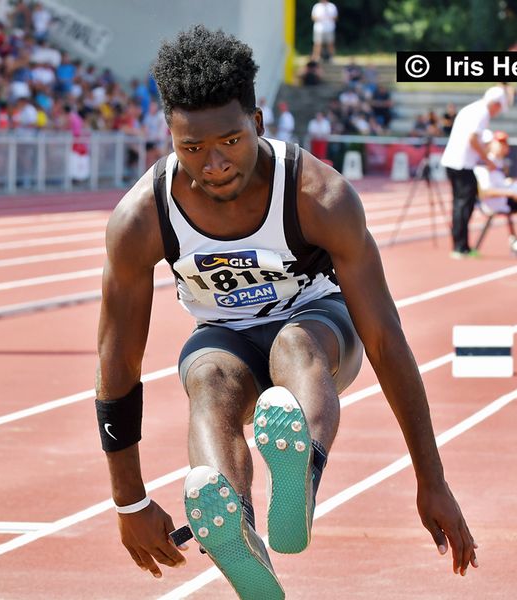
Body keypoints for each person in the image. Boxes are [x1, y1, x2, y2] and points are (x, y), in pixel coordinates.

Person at [95, 25, 478, 600]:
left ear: (259, 122)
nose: (214, 163)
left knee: (294, 344)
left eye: (229, 141)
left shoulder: (317, 196)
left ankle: (301, 477)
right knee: (207, 378)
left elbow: (384, 337)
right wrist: (130, 499)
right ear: (169, 137)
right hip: (224, 335)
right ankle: (235, 531)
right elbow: (117, 360)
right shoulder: (142, 218)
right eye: (191, 148)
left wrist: (432, 478)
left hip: (322, 327)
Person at [441, 86, 508, 258]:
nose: (497, 112)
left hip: (454, 162)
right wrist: (487, 160)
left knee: (459, 205)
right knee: (464, 205)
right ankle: (461, 247)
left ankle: (459, 245)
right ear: (495, 104)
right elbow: (472, 139)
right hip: (462, 165)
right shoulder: (482, 112)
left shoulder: (471, 108)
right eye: (499, 108)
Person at [474, 130, 517, 254]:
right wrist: (511, 193)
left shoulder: (500, 163)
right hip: (495, 203)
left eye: (505, 144)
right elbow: (485, 192)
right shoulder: (484, 164)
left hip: (506, 199)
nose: (503, 147)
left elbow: (501, 184)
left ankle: (514, 242)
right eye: (499, 143)